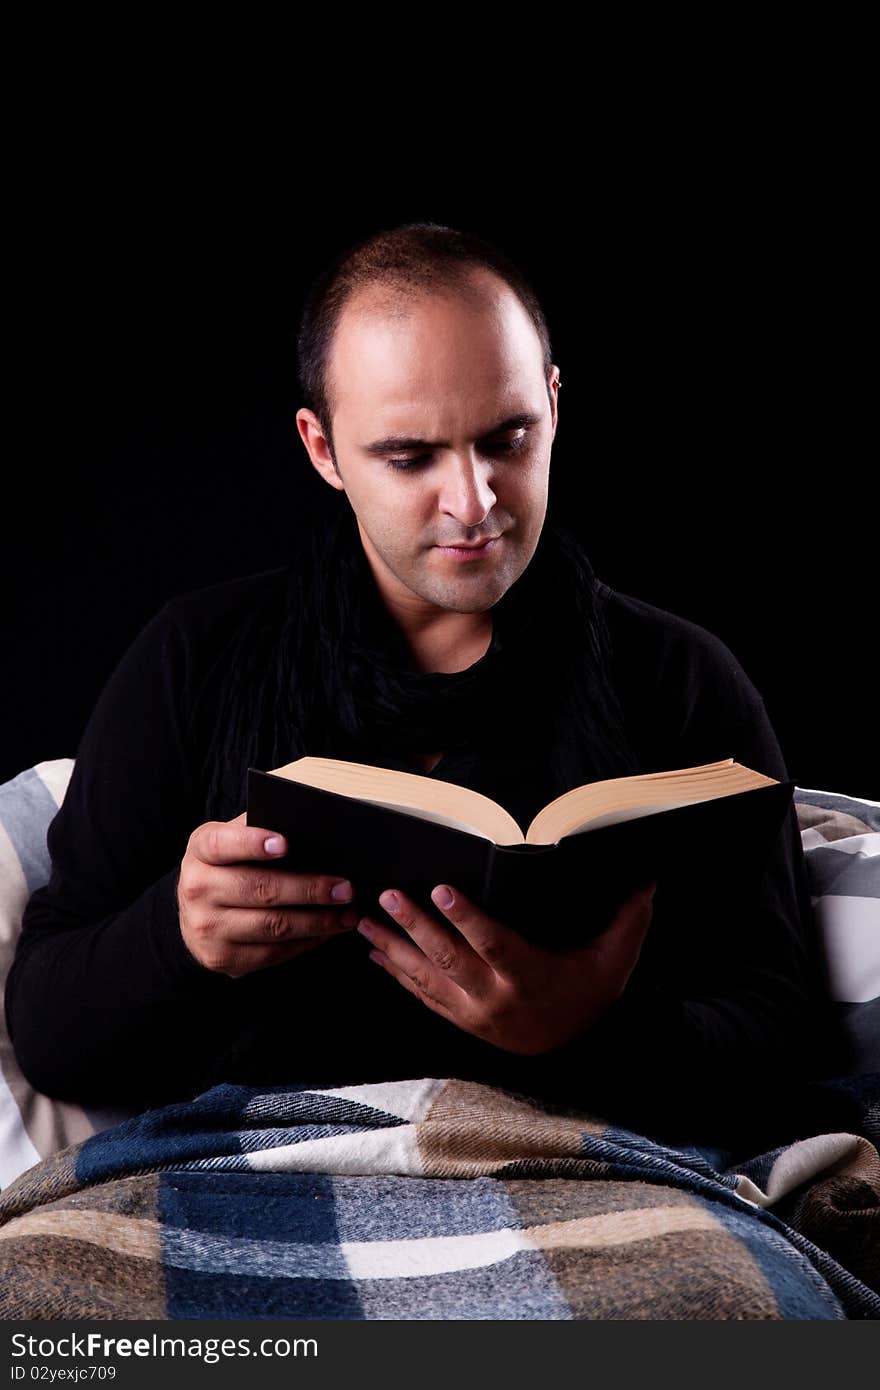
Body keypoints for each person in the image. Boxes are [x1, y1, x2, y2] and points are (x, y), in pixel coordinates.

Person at [5, 223, 843, 1151]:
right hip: (245, 1167)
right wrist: (178, 936)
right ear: (322, 449)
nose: (475, 502)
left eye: (508, 438)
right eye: (410, 458)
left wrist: (584, 1034)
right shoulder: (193, 660)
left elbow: (785, 1042)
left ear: (555, 407)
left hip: (592, 1172)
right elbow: (48, 1034)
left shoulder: (682, 680)